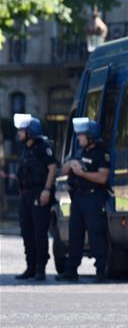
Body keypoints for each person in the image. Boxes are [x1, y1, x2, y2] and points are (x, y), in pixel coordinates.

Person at [56, 118, 110, 282]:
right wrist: (70, 164)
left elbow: (102, 177)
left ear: (90, 136)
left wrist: (82, 173)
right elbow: (62, 172)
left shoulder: (101, 153)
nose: (78, 137)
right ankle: (71, 271)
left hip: (94, 198)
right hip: (78, 197)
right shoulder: (79, 151)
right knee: (75, 235)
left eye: (81, 134)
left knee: (96, 235)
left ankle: (101, 271)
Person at [13, 114, 57, 281]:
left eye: (21, 131)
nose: (19, 133)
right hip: (25, 196)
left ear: (30, 132)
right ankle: (30, 266)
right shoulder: (25, 149)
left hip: (39, 194)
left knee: (39, 233)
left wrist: (46, 190)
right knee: (27, 232)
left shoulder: (43, 148)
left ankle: (40, 268)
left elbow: (52, 168)